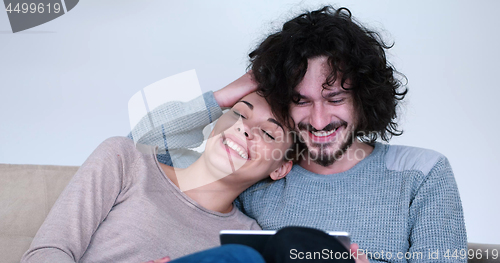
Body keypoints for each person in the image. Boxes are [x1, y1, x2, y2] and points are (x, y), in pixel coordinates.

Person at [138, 6, 467, 263]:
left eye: (335, 98)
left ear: (363, 99)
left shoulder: (421, 172)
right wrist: (228, 94)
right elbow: (151, 154)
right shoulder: (261, 170)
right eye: (300, 101)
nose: (320, 120)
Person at [20, 92, 296, 263]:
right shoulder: (127, 160)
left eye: (269, 134)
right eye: (238, 113)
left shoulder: (249, 238)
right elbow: (46, 253)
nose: (244, 129)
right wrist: (219, 97)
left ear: (280, 168)